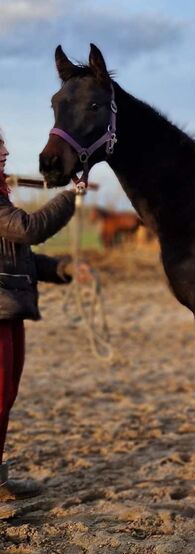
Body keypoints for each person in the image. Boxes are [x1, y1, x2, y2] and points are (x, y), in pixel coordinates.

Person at [0, 130, 79, 502]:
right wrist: (70, 197)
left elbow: (20, 257)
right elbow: (28, 230)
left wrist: (62, 269)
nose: (6, 150)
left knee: (5, 397)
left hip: (8, 309)